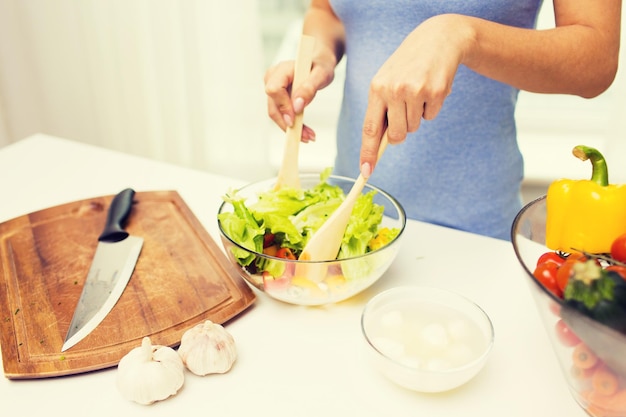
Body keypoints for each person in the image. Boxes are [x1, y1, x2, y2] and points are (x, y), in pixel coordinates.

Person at [263, 0, 622, 240]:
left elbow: (596, 59)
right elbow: (326, 10)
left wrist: (461, 34)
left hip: (473, 238)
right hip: (347, 224)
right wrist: (320, 53)